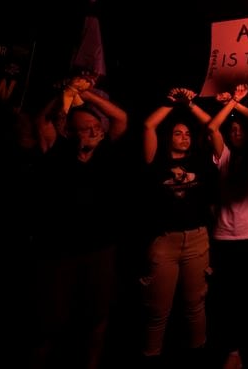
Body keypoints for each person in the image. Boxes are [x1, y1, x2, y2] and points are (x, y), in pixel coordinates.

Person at [28, 74, 128, 369]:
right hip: (60, 254)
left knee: (97, 316)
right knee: (49, 324)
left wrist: (89, 96)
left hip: (99, 250)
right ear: (71, 131)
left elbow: (121, 117)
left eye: (95, 128)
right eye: (84, 128)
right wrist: (67, 92)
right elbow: (42, 119)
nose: (91, 132)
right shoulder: (57, 151)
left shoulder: (107, 153)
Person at [139, 87, 218, 367]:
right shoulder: (156, 161)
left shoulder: (199, 162)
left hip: (197, 239)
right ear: (169, 137)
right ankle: (151, 356)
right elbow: (149, 124)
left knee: (195, 305)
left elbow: (212, 126)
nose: (183, 137)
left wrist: (192, 104)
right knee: (158, 310)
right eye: (177, 133)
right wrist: (171, 103)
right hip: (165, 242)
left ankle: (198, 356)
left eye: (186, 134)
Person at [205, 83, 248, 369]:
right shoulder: (224, 158)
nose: (235, 133)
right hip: (225, 237)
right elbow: (212, 128)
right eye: (231, 131)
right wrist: (230, 105)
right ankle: (233, 351)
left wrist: (237, 103)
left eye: (239, 130)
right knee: (229, 298)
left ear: (246, 134)